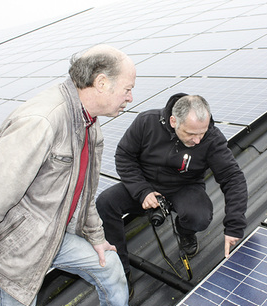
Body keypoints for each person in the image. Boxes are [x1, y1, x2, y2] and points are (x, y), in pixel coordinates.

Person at [0, 44, 166, 306]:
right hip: (14, 255)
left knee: (110, 266)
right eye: (127, 89)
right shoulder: (41, 122)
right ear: (102, 83)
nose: (131, 98)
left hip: (53, 236)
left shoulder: (89, 126)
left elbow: (84, 193)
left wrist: (96, 238)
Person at [96, 94, 248, 295]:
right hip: (145, 183)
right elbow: (124, 157)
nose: (197, 140)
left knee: (199, 216)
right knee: (106, 203)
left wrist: (234, 226)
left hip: (184, 186)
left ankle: (185, 232)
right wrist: (143, 191)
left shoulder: (211, 137)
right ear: (173, 121)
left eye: (202, 133)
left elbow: (232, 178)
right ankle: (121, 272)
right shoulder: (146, 122)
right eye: (191, 133)